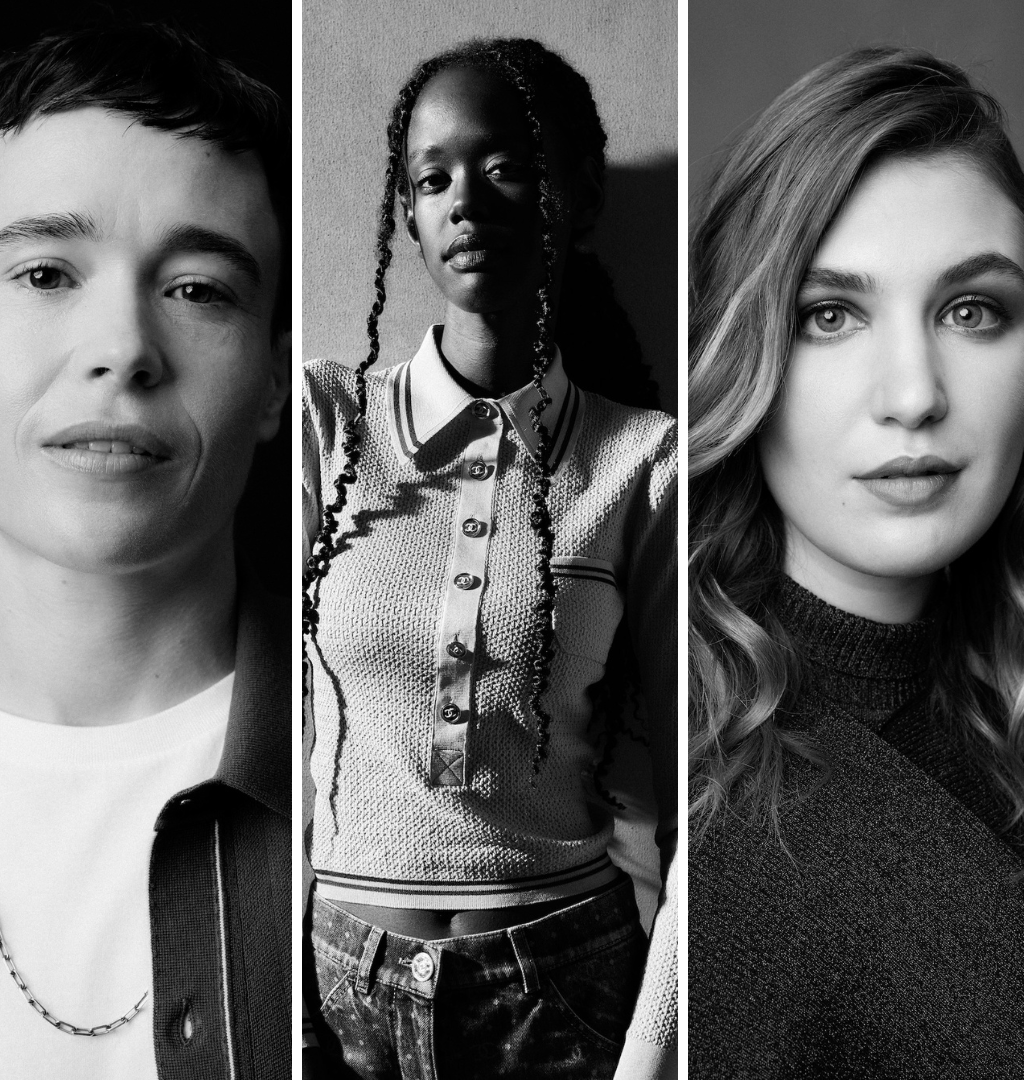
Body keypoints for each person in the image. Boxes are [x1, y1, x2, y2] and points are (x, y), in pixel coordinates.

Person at [0, 21, 290, 1080]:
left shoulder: (389, 782)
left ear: (271, 380)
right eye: (43, 274)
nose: (123, 346)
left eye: (199, 289)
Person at [299, 38, 677, 1080]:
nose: (464, 199)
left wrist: (651, 1057)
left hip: (563, 981)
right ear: (407, 218)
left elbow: (703, 793)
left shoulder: (645, 462)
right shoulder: (322, 425)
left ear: (579, 199)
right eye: (432, 178)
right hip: (340, 983)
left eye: (507, 165)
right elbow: (264, 727)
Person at [686, 47, 1024, 1078]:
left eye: (971, 310)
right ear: (739, 346)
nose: (914, 393)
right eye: (830, 315)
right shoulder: (667, 770)